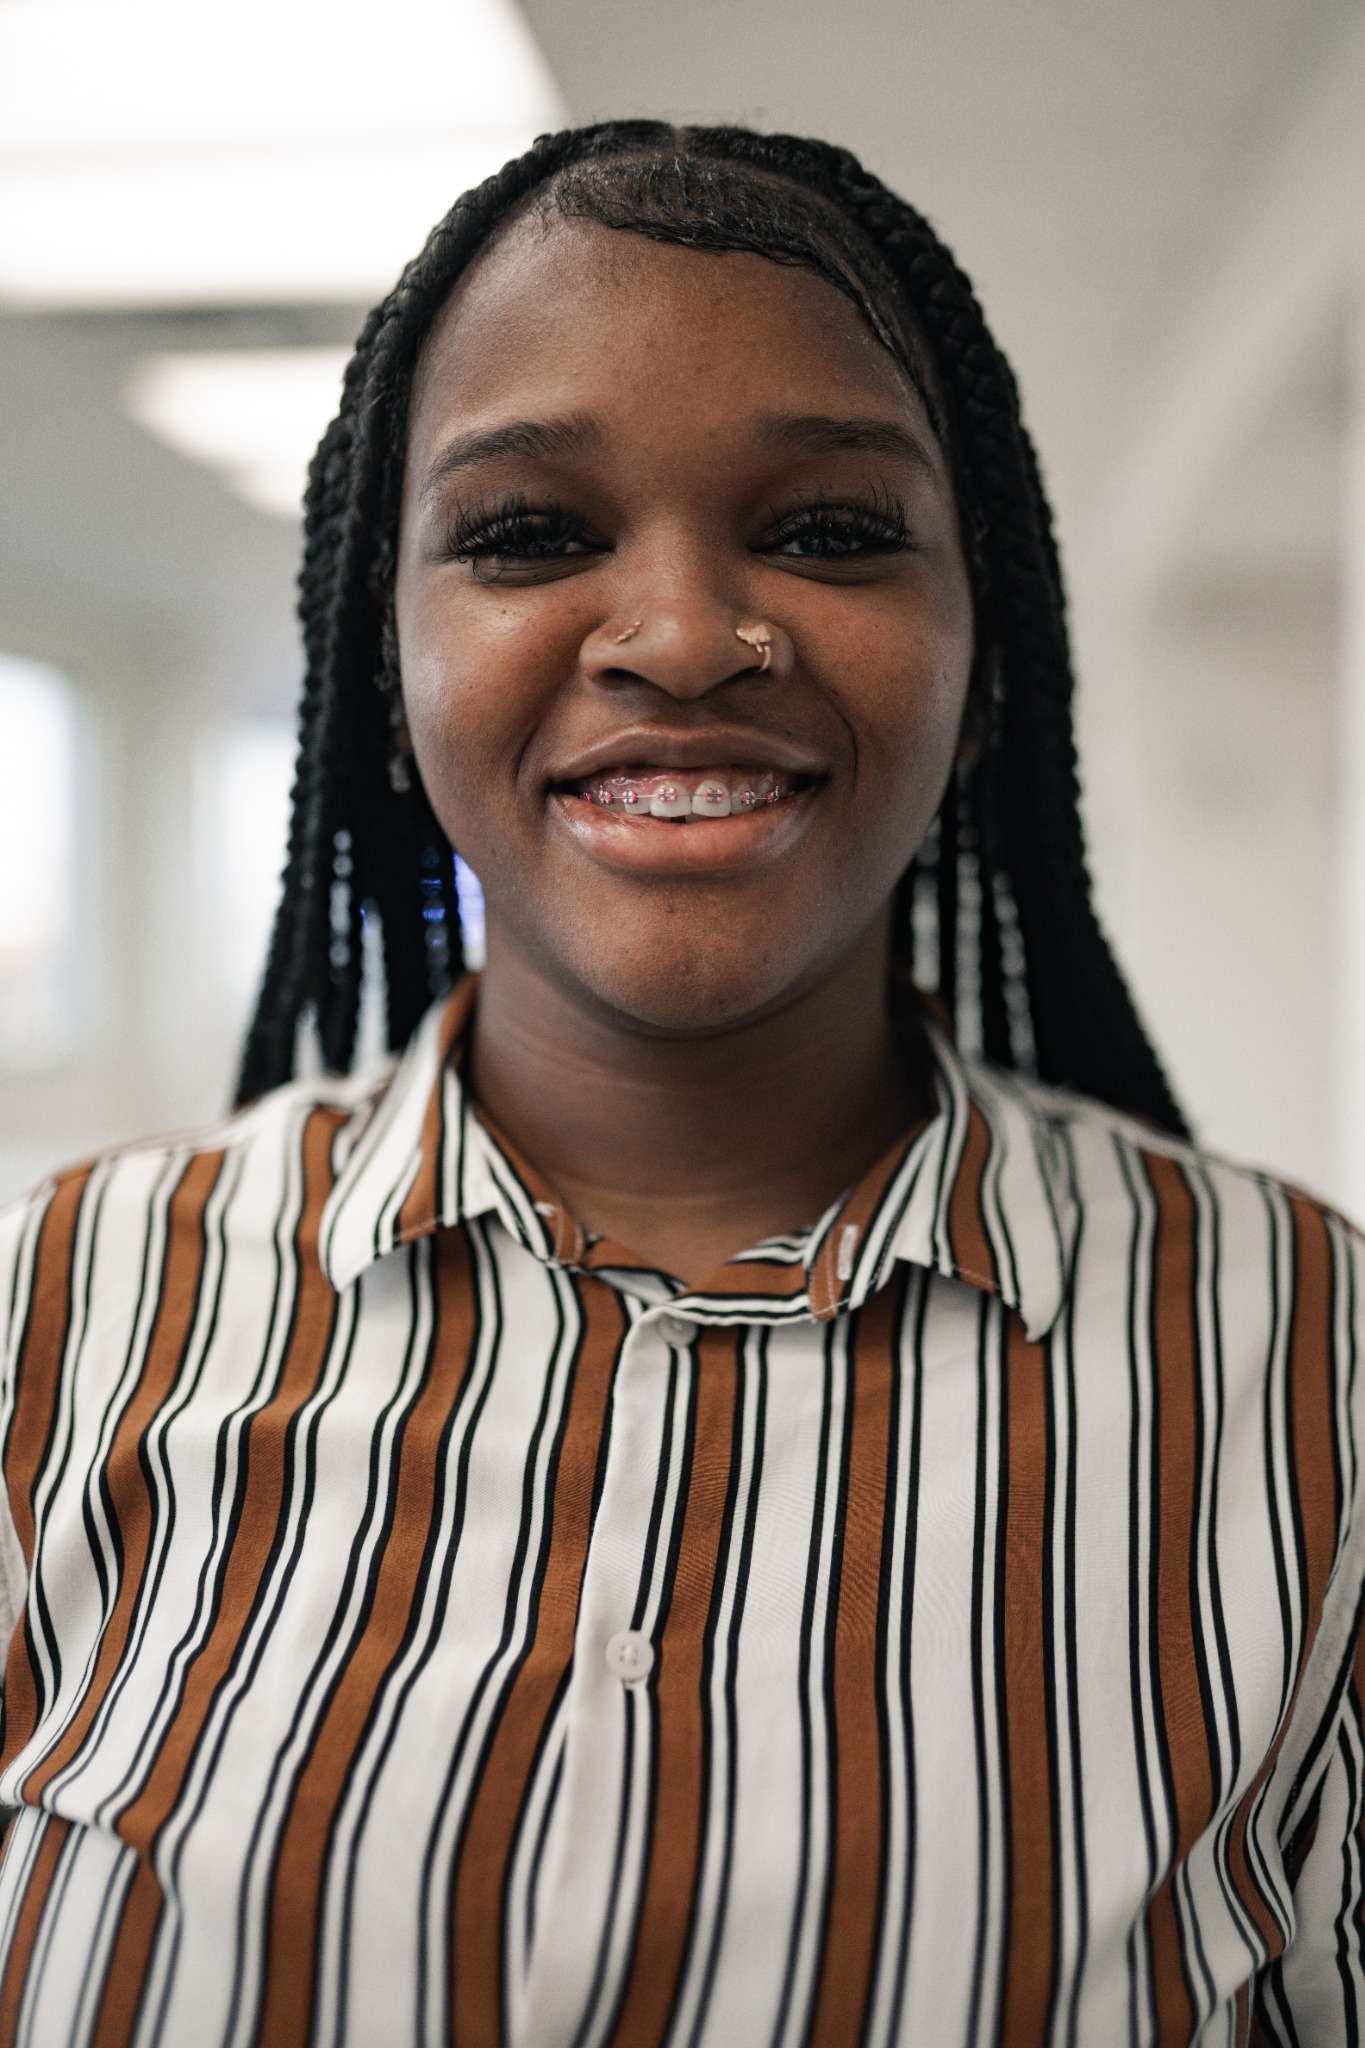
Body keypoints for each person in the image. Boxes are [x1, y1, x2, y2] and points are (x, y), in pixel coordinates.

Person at [0, 120, 1359, 2048]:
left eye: (826, 531)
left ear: (988, 671)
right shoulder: (52, 1318)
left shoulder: (1310, 1365)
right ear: (375, 667)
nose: (681, 640)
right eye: (529, 535)